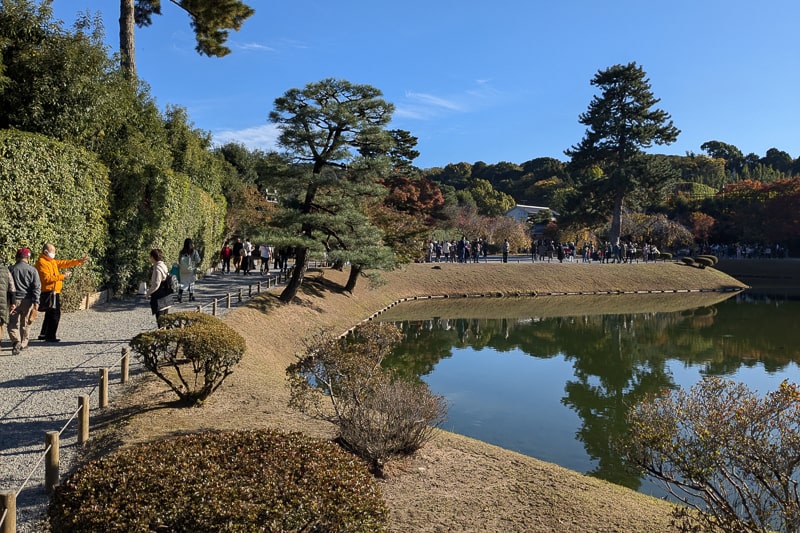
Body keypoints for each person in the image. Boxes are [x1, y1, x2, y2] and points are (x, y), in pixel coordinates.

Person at [34, 243, 88, 342]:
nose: (54, 253)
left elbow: (64, 263)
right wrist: (62, 276)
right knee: (55, 314)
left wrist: (77, 261)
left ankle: (44, 334)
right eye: (52, 251)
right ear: (46, 252)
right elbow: (47, 279)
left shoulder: (51, 261)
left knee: (50, 313)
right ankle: (50, 336)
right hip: (49, 291)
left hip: (54, 290)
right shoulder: (42, 262)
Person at [8, 248, 40, 355]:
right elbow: (36, 287)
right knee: (25, 322)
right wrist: (36, 301)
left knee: (12, 323)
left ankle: (15, 340)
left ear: (17, 257)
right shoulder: (32, 270)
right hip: (28, 300)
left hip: (14, 299)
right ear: (28, 258)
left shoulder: (11, 269)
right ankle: (23, 343)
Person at [145, 249, 170, 322]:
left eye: (150, 257)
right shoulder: (163, 265)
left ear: (153, 257)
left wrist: (148, 293)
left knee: (160, 320)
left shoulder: (157, 268)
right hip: (166, 294)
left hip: (159, 297)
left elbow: (156, 284)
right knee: (166, 319)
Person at [0, 261, 16, 351]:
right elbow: (12, 288)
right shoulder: (5, 270)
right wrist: (13, 302)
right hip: (3, 301)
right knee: (0, 323)